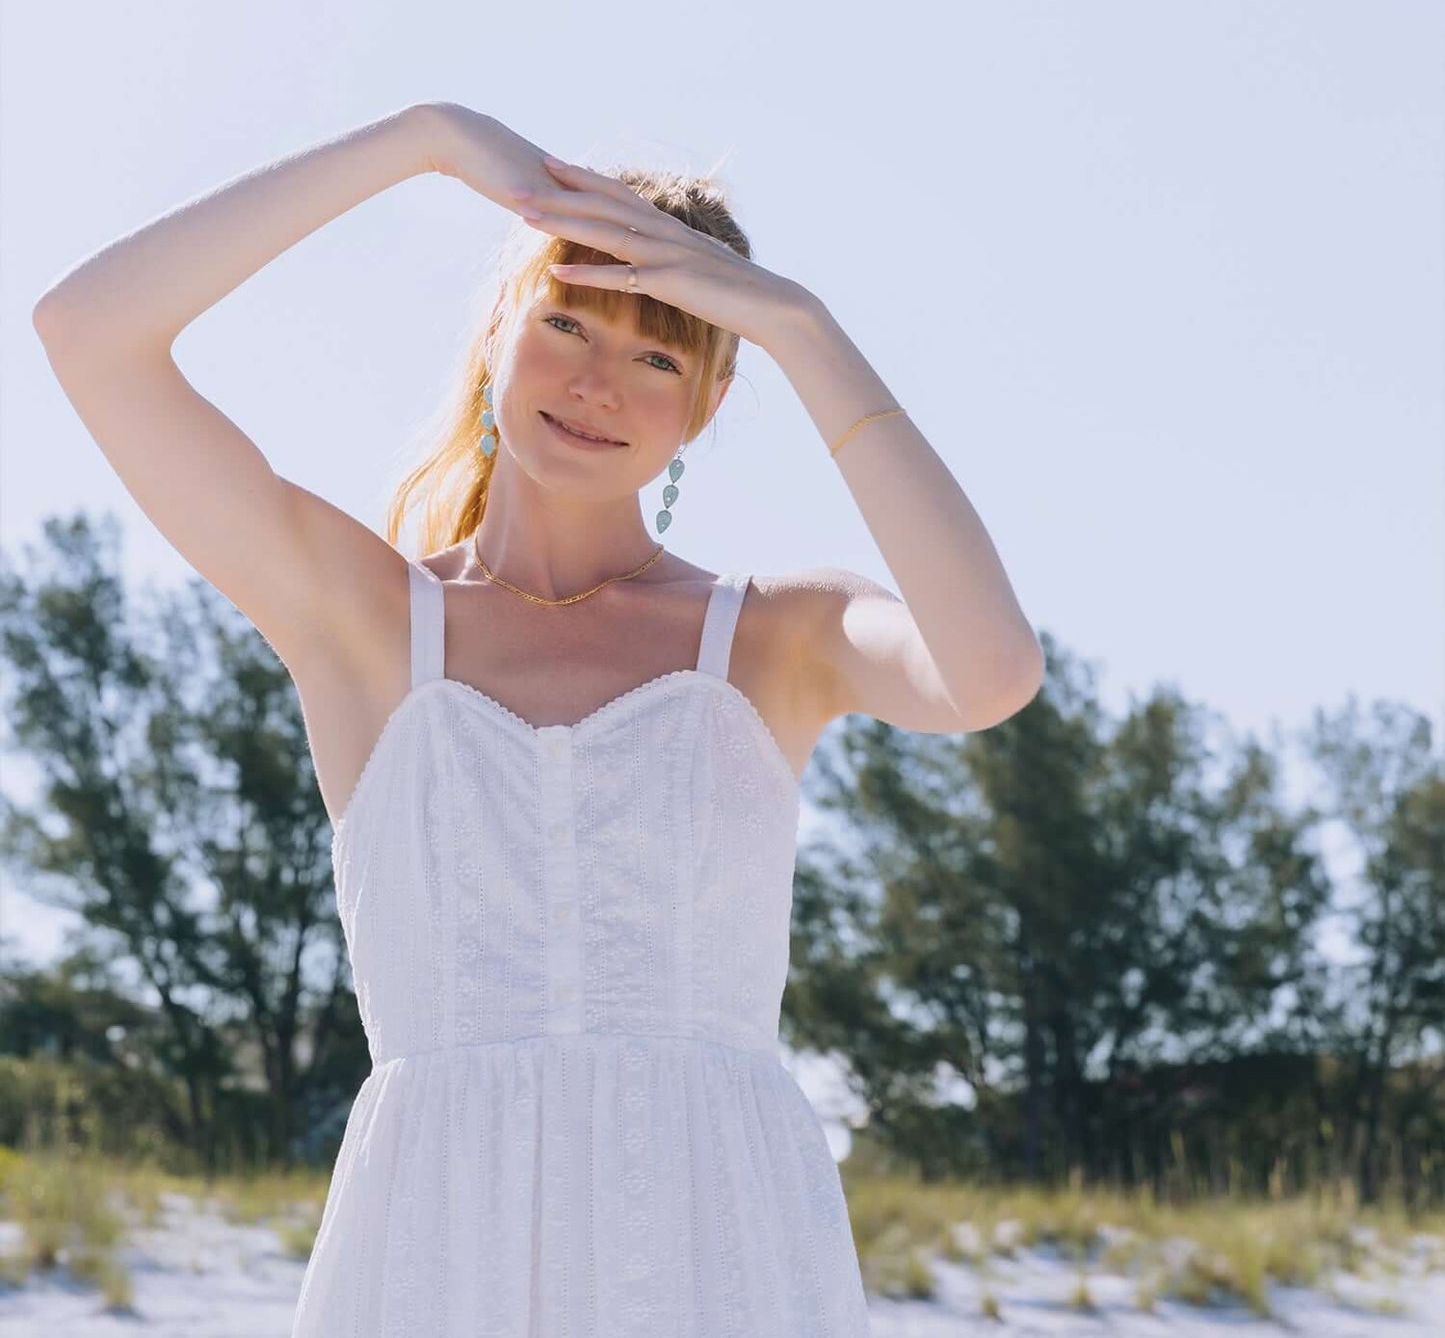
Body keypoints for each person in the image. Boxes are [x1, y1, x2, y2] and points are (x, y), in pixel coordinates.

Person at [32, 101, 1045, 1335]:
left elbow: (988, 670)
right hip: (432, 1254)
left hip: (721, 1248)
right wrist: (429, 141)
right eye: (565, 319)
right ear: (496, 339)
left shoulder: (777, 635)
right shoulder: (361, 617)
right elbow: (85, 331)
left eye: (659, 354)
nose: (593, 381)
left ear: (707, 402)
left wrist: (796, 324)